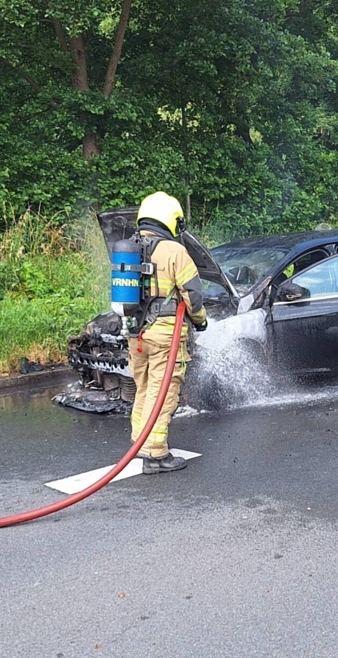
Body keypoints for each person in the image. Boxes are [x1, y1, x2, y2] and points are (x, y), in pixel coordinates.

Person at [128, 191, 208, 474]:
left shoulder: (129, 247)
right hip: (165, 336)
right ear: (171, 219)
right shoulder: (174, 251)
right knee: (164, 392)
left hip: (136, 335)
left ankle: (139, 441)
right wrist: (200, 320)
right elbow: (193, 295)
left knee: (145, 388)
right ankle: (156, 454)